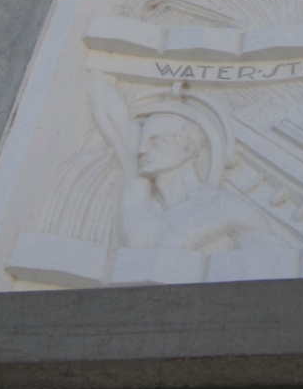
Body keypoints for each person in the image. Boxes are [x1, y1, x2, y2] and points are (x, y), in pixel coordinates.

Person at [86, 71, 282, 255]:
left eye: (157, 142)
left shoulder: (223, 207)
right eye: (142, 141)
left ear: (188, 149)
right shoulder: (139, 195)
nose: (141, 150)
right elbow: (105, 104)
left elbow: (277, 262)